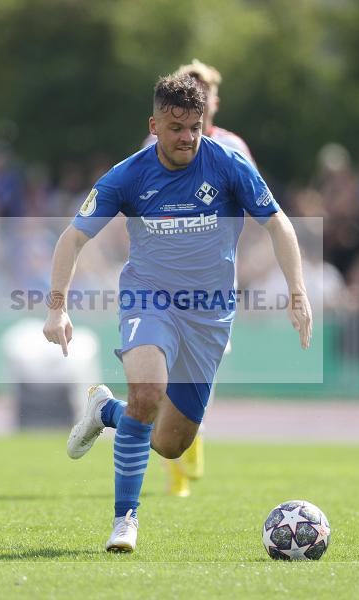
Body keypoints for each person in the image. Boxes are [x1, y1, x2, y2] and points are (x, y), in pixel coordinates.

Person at [42, 74, 312, 552]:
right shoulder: (128, 174)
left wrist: (297, 292)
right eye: (175, 128)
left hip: (209, 315)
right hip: (150, 299)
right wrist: (57, 308)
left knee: (170, 443)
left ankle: (106, 409)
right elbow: (73, 237)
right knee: (147, 394)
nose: (187, 137)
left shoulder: (228, 163)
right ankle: (125, 520)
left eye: (194, 127)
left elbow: (279, 224)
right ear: (154, 125)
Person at [142, 59, 254, 497]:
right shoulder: (161, 142)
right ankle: (176, 462)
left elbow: (253, 200)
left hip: (214, 282)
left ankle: (192, 431)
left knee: (201, 369)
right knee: (161, 370)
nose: (199, 94)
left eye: (205, 89)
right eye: (193, 86)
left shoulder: (231, 147)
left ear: (215, 100)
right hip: (165, 279)